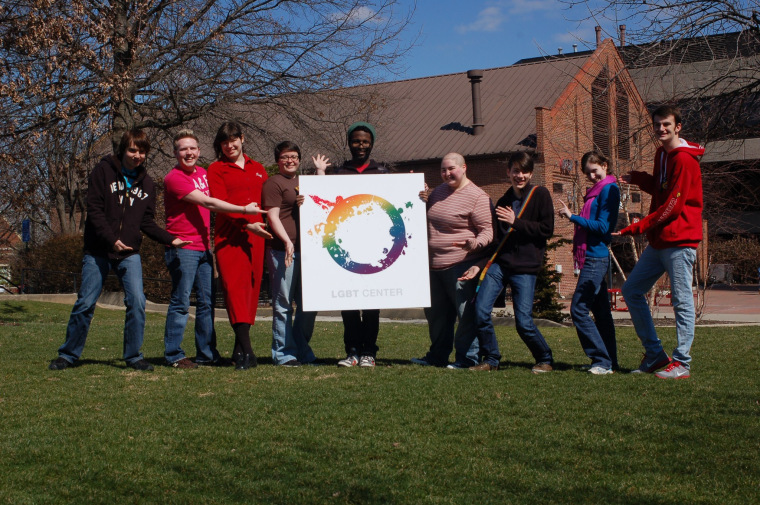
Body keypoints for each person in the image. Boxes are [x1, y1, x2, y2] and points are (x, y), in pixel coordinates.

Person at [49, 129, 188, 371]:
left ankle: (134, 356)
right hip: (98, 251)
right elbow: (93, 210)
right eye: (133, 150)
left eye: (142, 151)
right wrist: (111, 239)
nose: (137, 155)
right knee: (86, 302)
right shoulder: (103, 171)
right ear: (123, 150)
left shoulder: (147, 183)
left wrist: (170, 239)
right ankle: (68, 355)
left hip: (129, 254)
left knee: (137, 301)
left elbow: (146, 222)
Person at [163, 129, 265, 369]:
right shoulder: (174, 177)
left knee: (207, 303)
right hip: (183, 246)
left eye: (192, 148)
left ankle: (207, 354)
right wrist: (244, 212)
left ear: (199, 151)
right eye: (183, 149)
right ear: (176, 153)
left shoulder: (203, 173)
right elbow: (210, 202)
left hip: (203, 246)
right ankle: (174, 355)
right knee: (181, 301)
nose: (188, 153)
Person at [616, 105, 704, 379]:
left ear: (678, 127)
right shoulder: (661, 154)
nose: (661, 129)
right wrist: (641, 179)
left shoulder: (685, 160)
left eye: (666, 124)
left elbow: (672, 207)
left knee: (681, 301)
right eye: (657, 125)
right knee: (631, 290)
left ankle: (682, 363)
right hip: (660, 241)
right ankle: (655, 355)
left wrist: (637, 227)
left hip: (680, 240)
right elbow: (662, 188)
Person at [461, 151, 555, 373]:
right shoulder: (504, 200)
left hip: (525, 268)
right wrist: (479, 263)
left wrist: (517, 222)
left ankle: (545, 359)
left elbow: (546, 230)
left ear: (530, 173)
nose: (519, 175)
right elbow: (497, 240)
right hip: (500, 265)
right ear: (508, 172)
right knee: (480, 310)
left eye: (524, 171)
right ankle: (491, 359)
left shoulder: (540, 194)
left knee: (523, 322)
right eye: (515, 171)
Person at [314, 121, 388, 368]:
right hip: (346, 246)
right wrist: (314, 186)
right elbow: (322, 202)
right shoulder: (339, 174)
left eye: (365, 141)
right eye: (356, 141)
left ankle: (369, 352)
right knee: (348, 305)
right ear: (349, 143)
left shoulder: (383, 173)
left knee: (371, 307)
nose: (361, 145)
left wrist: (418, 193)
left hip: (374, 248)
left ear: (371, 144)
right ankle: (352, 352)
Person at [410, 153, 492, 368]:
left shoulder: (478, 196)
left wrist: (474, 244)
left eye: (451, 168)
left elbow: (487, 231)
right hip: (433, 266)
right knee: (436, 316)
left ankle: (467, 359)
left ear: (464, 167)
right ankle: (437, 356)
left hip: (461, 265)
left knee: (465, 315)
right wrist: (415, 193)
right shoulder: (437, 193)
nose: (447, 173)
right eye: (443, 170)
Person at [207, 121, 272, 370]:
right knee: (234, 291)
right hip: (230, 237)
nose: (229, 145)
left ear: (242, 138)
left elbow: (269, 199)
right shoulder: (216, 169)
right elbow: (220, 204)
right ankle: (248, 350)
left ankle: (238, 350)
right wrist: (245, 225)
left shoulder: (258, 169)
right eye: (224, 142)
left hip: (257, 237)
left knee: (251, 292)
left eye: (233, 140)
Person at [262, 141, 325, 366]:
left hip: (307, 252)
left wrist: (320, 171)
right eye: (285, 157)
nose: (290, 161)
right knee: (284, 305)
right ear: (278, 160)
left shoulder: (303, 182)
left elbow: (322, 197)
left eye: (294, 157)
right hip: (282, 252)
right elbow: (273, 216)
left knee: (309, 304)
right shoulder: (273, 183)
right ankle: (284, 353)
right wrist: (287, 241)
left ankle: (301, 348)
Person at [557, 151, 620, 375]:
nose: (592, 176)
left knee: (579, 309)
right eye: (588, 173)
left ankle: (601, 360)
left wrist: (572, 216)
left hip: (595, 256)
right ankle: (610, 360)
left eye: (595, 170)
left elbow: (603, 227)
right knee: (601, 311)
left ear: (605, 165)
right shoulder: (596, 191)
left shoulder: (609, 190)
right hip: (592, 256)